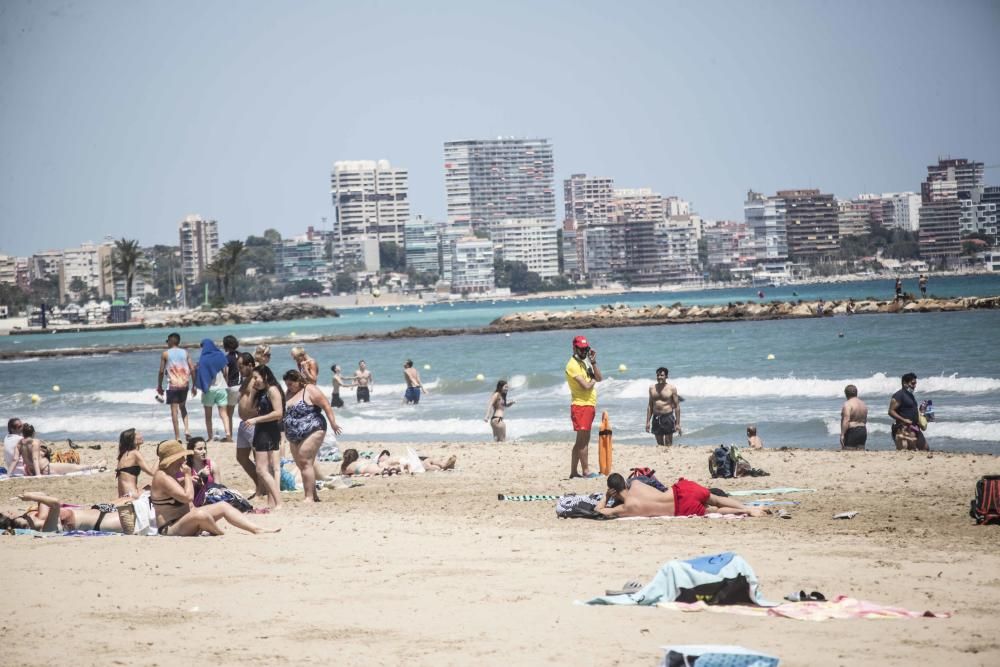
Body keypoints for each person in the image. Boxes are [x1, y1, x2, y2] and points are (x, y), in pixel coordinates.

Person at [150, 440, 277, 536]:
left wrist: (185, 480)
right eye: (181, 457)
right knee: (200, 515)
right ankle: (221, 534)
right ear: (173, 459)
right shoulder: (162, 477)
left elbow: (173, 489)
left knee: (222, 505)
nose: (184, 460)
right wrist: (188, 476)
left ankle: (255, 529)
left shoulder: (171, 475)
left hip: (186, 519)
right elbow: (187, 497)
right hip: (171, 528)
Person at [282, 369, 343, 502]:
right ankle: (314, 495)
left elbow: (326, 405)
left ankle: (308, 496)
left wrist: (333, 423)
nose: (289, 387)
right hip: (294, 434)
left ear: (299, 381)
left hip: (313, 428)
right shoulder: (288, 393)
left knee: (305, 461)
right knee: (300, 464)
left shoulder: (309, 389)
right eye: (287, 384)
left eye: (291, 384)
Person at [596, 473, 763, 518]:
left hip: (679, 508)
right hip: (679, 491)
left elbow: (599, 510)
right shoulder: (637, 484)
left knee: (714, 511)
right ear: (625, 484)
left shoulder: (625, 509)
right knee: (716, 499)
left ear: (613, 491)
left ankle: (748, 513)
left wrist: (606, 497)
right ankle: (748, 508)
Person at [243, 366, 284, 509]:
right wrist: (253, 392)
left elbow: (279, 413)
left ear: (265, 376)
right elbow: (248, 409)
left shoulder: (273, 390)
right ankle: (271, 502)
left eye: (256, 377)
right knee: (267, 468)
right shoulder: (261, 392)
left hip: (268, 431)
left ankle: (279, 502)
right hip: (262, 431)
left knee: (261, 469)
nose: (254, 381)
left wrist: (256, 420)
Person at [565, 335, 603, 478]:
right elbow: (587, 386)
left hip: (589, 405)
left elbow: (600, 378)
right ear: (574, 348)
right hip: (580, 406)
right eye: (581, 349)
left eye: (585, 348)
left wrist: (593, 362)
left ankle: (574, 472)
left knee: (580, 441)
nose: (583, 351)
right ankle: (586, 471)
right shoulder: (572, 365)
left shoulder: (586, 362)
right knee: (583, 441)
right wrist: (593, 379)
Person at [1, 492, 129, 533]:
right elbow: (55, 503)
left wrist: (32, 498)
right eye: (27, 521)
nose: (30, 517)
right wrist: (32, 497)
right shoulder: (47, 528)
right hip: (104, 522)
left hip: (102, 513)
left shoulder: (40, 518)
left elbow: (43, 496)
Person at [17, 424, 106, 476]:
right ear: (34, 433)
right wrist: (38, 475)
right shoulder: (35, 442)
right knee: (75, 467)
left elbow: (15, 459)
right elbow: (35, 459)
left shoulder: (20, 443)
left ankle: (96, 465)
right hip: (46, 469)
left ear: (22, 433)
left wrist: (9, 474)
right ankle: (96, 466)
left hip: (31, 471)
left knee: (73, 467)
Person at [157, 332, 196, 440]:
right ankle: (187, 430)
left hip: (173, 385)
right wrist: (194, 385)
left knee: (174, 411)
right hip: (184, 384)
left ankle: (178, 437)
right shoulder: (185, 353)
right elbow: (192, 369)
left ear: (170, 341)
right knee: (183, 407)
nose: (167, 343)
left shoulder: (165, 354)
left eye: (167, 341)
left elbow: (161, 371)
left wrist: (159, 385)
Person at [195, 338, 233, 442]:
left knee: (208, 415)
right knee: (224, 414)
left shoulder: (203, 358)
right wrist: (225, 381)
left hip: (209, 390)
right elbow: (226, 370)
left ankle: (211, 437)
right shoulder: (220, 355)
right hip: (221, 388)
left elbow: (201, 375)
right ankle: (228, 433)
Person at [234, 352, 260, 494]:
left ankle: (262, 489)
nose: (239, 370)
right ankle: (259, 484)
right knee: (241, 457)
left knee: (259, 458)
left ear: (250, 365)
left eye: (241, 366)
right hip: (243, 424)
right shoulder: (245, 379)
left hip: (254, 423)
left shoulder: (257, 379)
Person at [888, 372, 928, 451]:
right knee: (910, 449)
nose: (914, 386)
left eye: (915, 383)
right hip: (905, 428)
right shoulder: (899, 395)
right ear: (905, 383)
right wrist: (904, 420)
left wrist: (922, 412)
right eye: (913, 383)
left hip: (915, 427)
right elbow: (891, 411)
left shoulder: (910, 395)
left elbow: (910, 410)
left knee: (925, 448)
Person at [645, 367, 681, 446]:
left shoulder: (672, 388)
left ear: (666, 377)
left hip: (667, 417)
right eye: (658, 375)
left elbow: (677, 406)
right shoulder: (652, 388)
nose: (659, 377)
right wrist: (647, 422)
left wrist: (677, 423)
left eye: (662, 375)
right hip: (656, 418)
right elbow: (650, 406)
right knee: (660, 444)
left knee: (668, 443)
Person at [115, 428, 155, 498]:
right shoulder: (135, 453)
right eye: (138, 434)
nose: (141, 435)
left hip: (123, 495)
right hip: (132, 495)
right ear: (133, 439)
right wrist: (160, 457)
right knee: (160, 486)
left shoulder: (122, 455)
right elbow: (152, 472)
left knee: (149, 485)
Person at [840, 384, 868, 451]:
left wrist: (842, 434)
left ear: (846, 394)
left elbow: (846, 420)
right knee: (860, 452)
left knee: (848, 451)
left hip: (852, 431)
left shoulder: (848, 404)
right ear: (856, 393)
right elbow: (865, 420)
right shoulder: (863, 404)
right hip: (863, 430)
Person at [223, 335, 241, 426]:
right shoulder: (241, 355)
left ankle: (229, 436)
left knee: (228, 414)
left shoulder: (227, 358)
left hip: (232, 386)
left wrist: (224, 387)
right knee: (245, 412)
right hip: (243, 386)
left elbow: (226, 373)